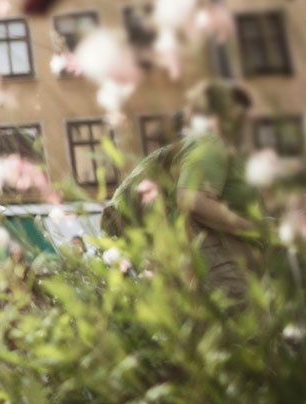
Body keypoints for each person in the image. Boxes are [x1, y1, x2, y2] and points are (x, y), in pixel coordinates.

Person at [105, 81, 264, 305]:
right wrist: (253, 228)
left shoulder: (223, 151)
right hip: (212, 261)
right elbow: (192, 201)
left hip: (194, 256)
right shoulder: (212, 145)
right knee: (240, 325)